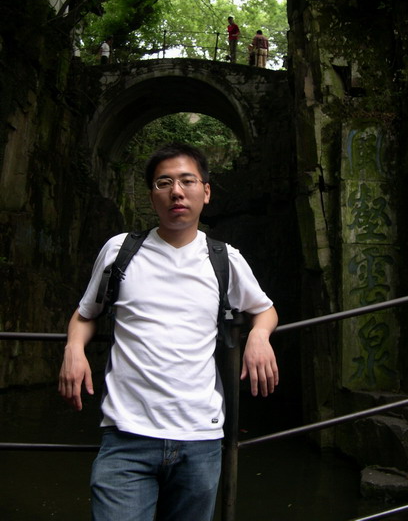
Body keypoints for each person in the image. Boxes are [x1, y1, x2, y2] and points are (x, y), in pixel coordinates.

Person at [58, 143, 279, 521]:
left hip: (200, 439)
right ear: (152, 196)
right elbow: (85, 314)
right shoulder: (121, 251)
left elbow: (264, 309)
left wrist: (259, 336)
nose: (176, 191)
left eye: (187, 181)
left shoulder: (224, 259)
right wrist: (74, 349)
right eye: (164, 183)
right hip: (127, 436)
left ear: (205, 192)